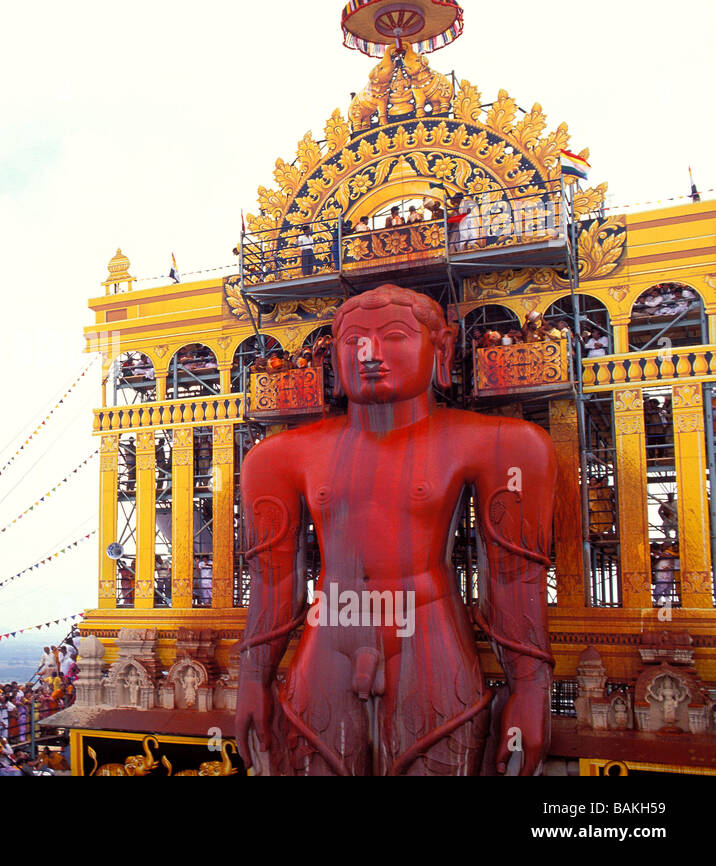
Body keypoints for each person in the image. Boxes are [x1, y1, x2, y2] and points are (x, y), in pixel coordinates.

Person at [236, 284, 555, 776]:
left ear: (441, 349)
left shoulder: (501, 445)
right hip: (327, 641)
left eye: (395, 336)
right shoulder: (277, 458)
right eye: (353, 340)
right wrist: (252, 680)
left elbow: (513, 580)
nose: (369, 353)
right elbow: (274, 581)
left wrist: (530, 689)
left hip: (430, 637)